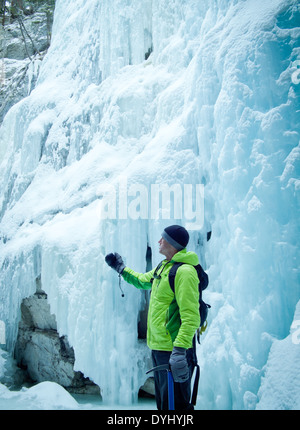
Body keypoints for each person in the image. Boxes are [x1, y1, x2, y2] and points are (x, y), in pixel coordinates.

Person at [105, 225, 200, 410]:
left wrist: (180, 351)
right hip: (159, 348)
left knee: (176, 406)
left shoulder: (185, 273)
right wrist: (121, 268)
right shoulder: (163, 267)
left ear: (173, 244)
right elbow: (142, 280)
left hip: (174, 350)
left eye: (163, 238)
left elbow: (191, 317)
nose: (159, 241)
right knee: (164, 405)